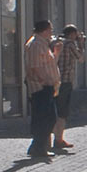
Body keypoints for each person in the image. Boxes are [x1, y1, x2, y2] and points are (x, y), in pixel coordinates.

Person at [24, 19, 60, 159]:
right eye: (50, 30)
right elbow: (34, 67)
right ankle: (38, 147)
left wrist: (56, 53)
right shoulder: (36, 44)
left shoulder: (43, 44)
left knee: (49, 117)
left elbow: (48, 64)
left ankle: (38, 146)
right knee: (45, 118)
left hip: (48, 86)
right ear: (44, 30)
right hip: (41, 87)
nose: (51, 33)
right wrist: (44, 81)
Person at [50, 25, 84, 153]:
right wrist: (80, 44)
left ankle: (51, 138)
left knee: (53, 108)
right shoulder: (70, 44)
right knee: (63, 110)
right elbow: (80, 58)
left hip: (53, 80)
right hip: (65, 81)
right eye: (76, 35)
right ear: (72, 34)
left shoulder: (54, 42)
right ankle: (59, 139)